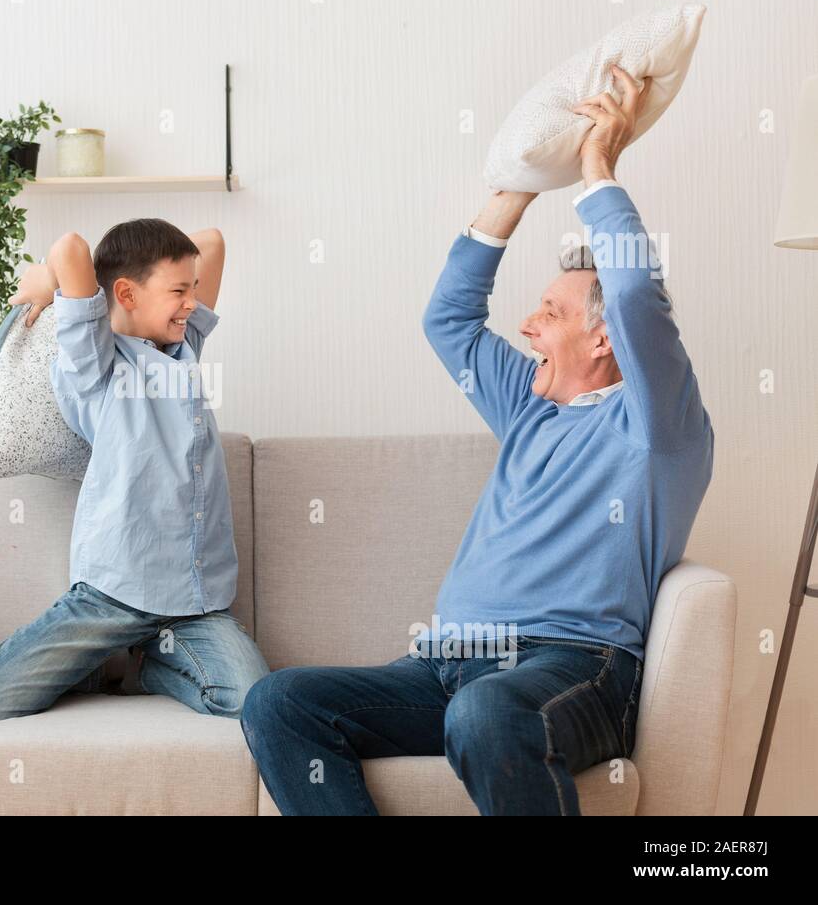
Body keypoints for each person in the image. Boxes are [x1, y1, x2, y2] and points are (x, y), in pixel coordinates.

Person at [241, 66, 714, 814]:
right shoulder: (528, 409)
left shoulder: (659, 426)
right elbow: (449, 320)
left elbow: (631, 294)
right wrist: (519, 185)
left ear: (606, 340)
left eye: (550, 314)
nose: (527, 326)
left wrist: (597, 169)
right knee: (277, 700)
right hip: (444, 665)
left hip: (572, 667)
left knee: (487, 712)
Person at [0, 219, 270, 722]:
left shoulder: (184, 351)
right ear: (125, 292)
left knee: (253, 699)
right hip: (112, 596)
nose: (192, 302)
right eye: (178, 291)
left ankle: (148, 668)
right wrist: (50, 281)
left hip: (194, 603)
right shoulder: (94, 364)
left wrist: (170, 281)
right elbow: (71, 248)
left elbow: (212, 241)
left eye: (193, 290)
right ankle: (109, 657)